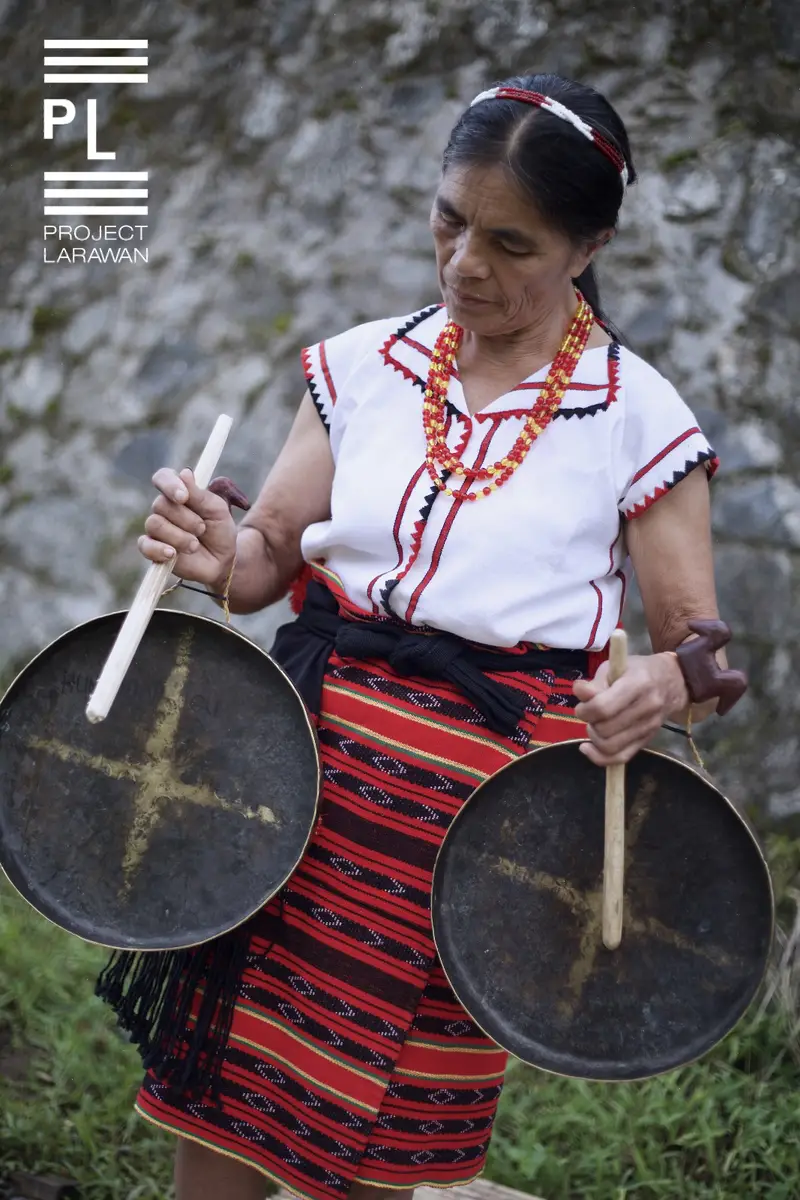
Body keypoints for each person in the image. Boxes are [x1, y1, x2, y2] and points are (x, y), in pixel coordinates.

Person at [98, 72, 740, 1200]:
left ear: (585, 245)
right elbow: (267, 562)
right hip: (296, 779)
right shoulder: (361, 367)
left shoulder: (638, 417)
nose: (462, 265)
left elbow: (700, 654)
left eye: (510, 242)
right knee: (227, 1084)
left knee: (384, 1126)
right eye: (448, 220)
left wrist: (658, 681)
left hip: (474, 828)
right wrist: (214, 552)